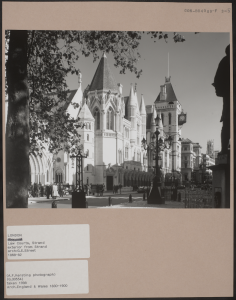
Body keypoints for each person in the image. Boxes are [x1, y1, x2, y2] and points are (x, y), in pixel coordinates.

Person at [212, 44, 230, 154]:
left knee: (227, 125)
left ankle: (224, 150)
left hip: (228, 98)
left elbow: (217, 81)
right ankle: (224, 149)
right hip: (229, 98)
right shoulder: (225, 61)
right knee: (227, 124)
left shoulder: (224, 61)